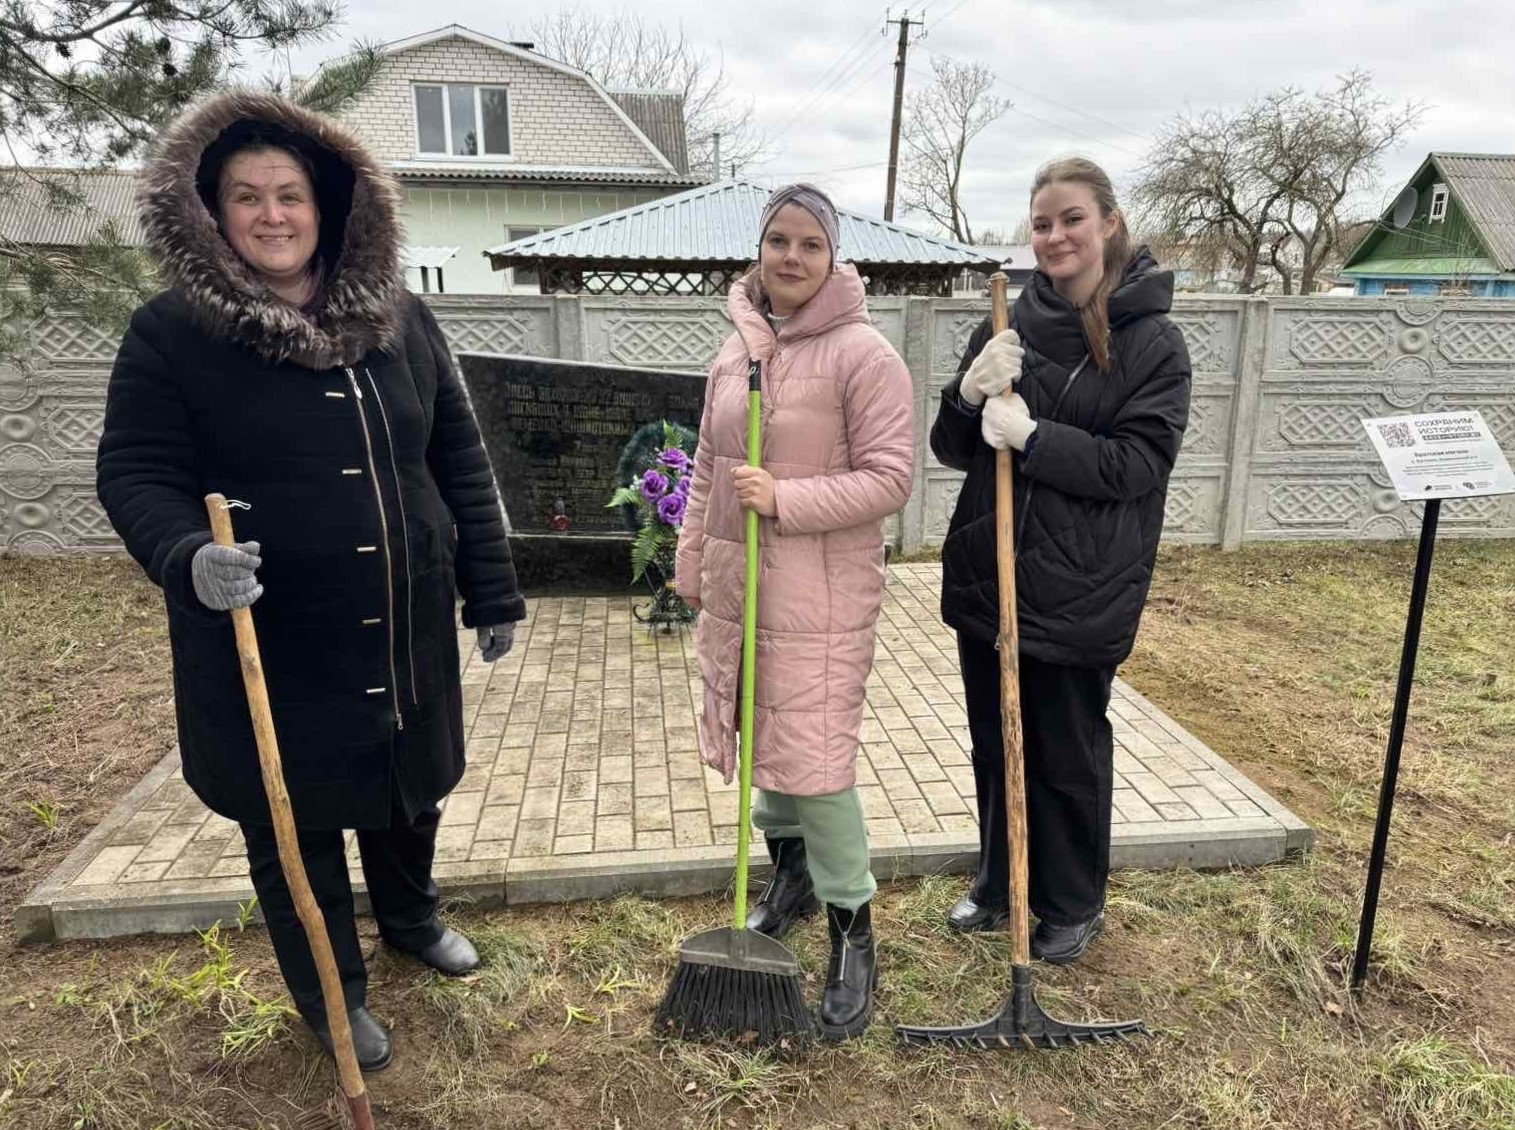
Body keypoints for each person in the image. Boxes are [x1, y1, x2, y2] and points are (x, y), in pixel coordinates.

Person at [96, 92, 526, 1072]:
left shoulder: (398, 317)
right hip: (268, 639)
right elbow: (133, 473)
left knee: (411, 791)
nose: (272, 214)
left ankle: (412, 920)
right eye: (246, 196)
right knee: (299, 819)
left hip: (401, 622)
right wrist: (187, 558)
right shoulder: (173, 333)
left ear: (328, 205)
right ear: (210, 211)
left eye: (290, 193)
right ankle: (334, 990)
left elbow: (454, 453)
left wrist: (490, 586)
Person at [930, 157, 1191, 964]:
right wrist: (967, 397)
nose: (1054, 236)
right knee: (993, 737)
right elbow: (949, 449)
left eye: (1071, 219)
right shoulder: (1005, 325)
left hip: (1081, 586)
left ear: (1109, 223)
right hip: (991, 569)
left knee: (1064, 749)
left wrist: (1037, 439)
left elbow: (1136, 467)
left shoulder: (1153, 343)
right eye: (1041, 223)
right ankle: (997, 878)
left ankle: (1071, 899)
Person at [674, 184, 915, 1040]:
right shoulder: (733, 353)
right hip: (742, 590)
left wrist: (784, 498)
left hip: (820, 593)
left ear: (832, 257)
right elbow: (707, 466)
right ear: (759, 250)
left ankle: (855, 930)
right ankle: (792, 880)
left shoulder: (865, 356)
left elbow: (890, 479)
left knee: (814, 762)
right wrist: (691, 563)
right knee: (759, 736)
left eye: (809, 244)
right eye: (778, 240)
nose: (790, 257)